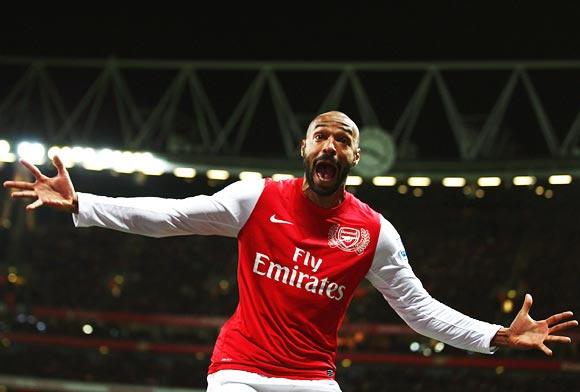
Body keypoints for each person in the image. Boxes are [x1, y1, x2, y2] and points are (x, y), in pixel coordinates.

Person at [4, 111, 577, 392]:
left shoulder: (375, 234)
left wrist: (496, 336)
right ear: (305, 147)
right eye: (321, 135)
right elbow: (171, 216)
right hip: (238, 370)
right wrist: (84, 203)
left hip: (311, 379)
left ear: (355, 158)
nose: (331, 144)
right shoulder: (256, 198)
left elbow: (420, 310)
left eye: (343, 139)